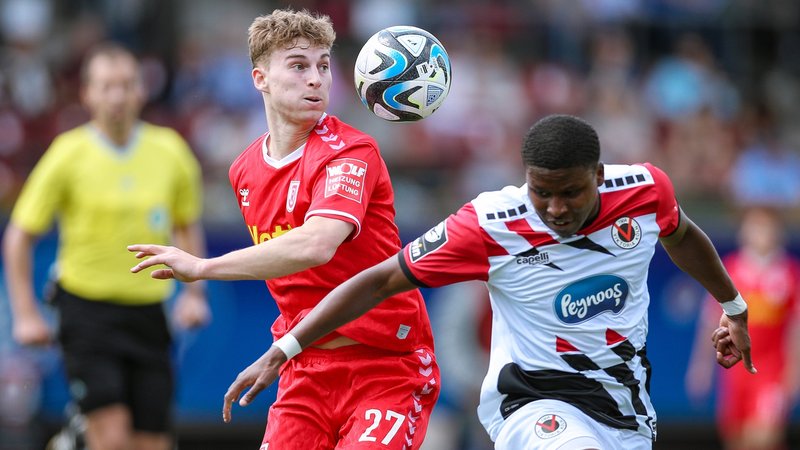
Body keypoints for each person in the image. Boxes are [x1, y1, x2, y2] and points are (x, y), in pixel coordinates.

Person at [216, 114, 756, 450]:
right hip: (533, 401)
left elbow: (682, 235)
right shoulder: (490, 223)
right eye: (541, 191)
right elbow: (379, 280)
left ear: (598, 175)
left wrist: (733, 306)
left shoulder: (644, 191)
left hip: (626, 411)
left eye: (569, 192)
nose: (554, 207)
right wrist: (283, 350)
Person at [129, 8, 439, 450]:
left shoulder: (353, 152)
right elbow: (287, 270)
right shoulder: (244, 171)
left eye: (323, 66)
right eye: (298, 66)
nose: (315, 79)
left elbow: (316, 245)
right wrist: (284, 352)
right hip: (303, 369)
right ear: (260, 79)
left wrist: (202, 267)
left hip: (386, 368)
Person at [2, 42, 209, 450]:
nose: (117, 96)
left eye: (126, 85)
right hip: (86, 310)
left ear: (141, 90)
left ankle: (71, 441)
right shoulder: (67, 154)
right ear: (87, 94)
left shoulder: (170, 151)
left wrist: (194, 295)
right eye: (106, 86)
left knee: (152, 442)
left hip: (149, 311)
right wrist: (25, 314)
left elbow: (186, 226)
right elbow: (19, 236)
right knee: (111, 437)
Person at [686, 206, 800, 450]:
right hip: (735, 372)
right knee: (736, 440)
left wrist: (794, 372)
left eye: (766, 227)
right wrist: (701, 366)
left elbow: (796, 329)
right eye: (754, 227)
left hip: (771, 371)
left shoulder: (790, 273)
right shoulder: (730, 270)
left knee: (762, 438)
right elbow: (711, 321)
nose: (761, 233)